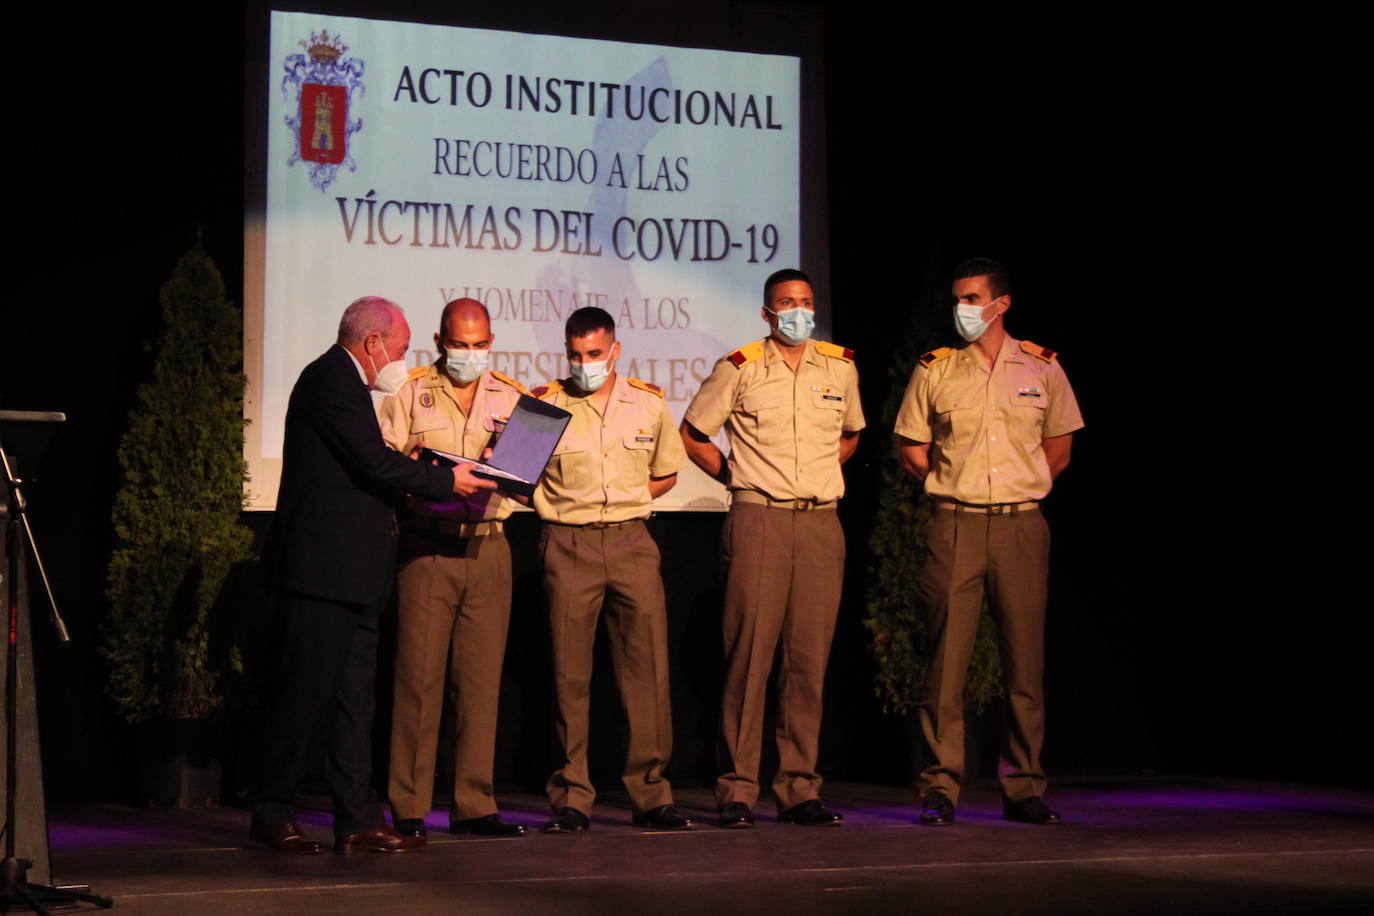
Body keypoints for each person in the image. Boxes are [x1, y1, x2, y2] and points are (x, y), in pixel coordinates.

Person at [251, 296, 496, 854]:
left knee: (353, 703)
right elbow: (371, 460)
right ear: (372, 344)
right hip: (321, 572)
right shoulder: (330, 378)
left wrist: (432, 469)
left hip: (355, 574)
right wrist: (443, 481)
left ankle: (357, 819)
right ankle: (271, 810)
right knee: (304, 696)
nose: (403, 361)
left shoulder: (350, 386)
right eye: (402, 349)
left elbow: (371, 463)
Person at [893, 257, 1083, 827]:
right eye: (958, 299)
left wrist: (1027, 488)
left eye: (972, 298)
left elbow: (1061, 446)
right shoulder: (936, 369)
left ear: (1001, 304)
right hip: (956, 525)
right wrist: (947, 485)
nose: (962, 310)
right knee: (945, 662)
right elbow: (911, 446)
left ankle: (1023, 786)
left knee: (1024, 663)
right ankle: (940, 788)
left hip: (1022, 526)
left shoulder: (1043, 366)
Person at [680, 268, 864, 828]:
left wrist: (816, 475)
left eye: (805, 303)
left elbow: (851, 433)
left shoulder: (840, 366)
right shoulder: (739, 367)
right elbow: (692, 433)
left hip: (819, 523)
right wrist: (736, 475)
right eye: (786, 303)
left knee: (807, 661)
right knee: (750, 658)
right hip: (758, 518)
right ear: (767, 313)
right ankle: (737, 790)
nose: (798, 312)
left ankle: (799, 789)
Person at [529, 306, 692, 833]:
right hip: (568, 542)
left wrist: (624, 499)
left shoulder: (647, 404)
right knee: (568, 675)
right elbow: (515, 477)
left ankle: (651, 794)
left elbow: (665, 473)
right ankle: (572, 796)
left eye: (595, 355)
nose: (584, 365)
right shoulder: (542, 406)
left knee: (646, 673)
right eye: (575, 356)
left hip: (630, 542)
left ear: (615, 350)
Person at [378, 298, 527, 839]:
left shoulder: (513, 397)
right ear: (440, 342)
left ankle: (474, 803)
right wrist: (422, 471)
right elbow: (382, 461)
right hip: (427, 546)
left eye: (481, 344)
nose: (471, 354)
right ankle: (410, 805)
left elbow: (532, 479)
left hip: (490, 545)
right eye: (461, 345)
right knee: (418, 681)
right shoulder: (409, 391)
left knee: (481, 682)